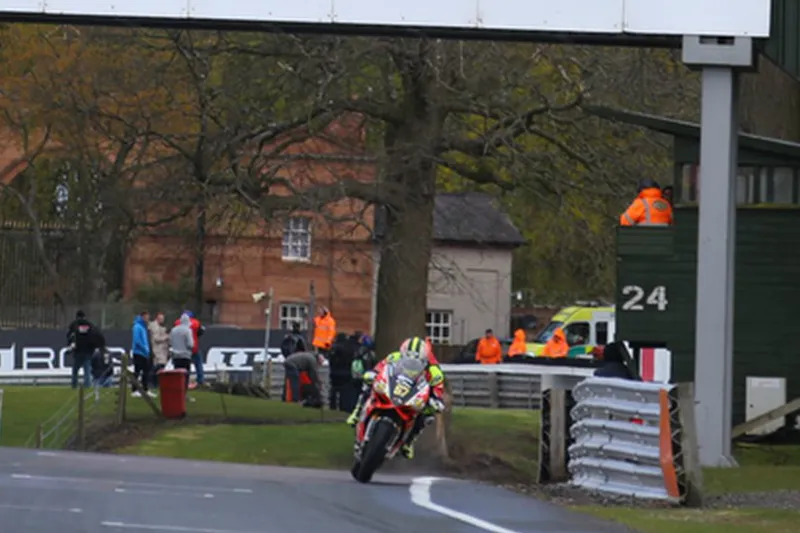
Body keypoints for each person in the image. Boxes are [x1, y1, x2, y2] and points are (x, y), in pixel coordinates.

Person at [346, 336, 446, 460]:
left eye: (416, 360)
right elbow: (380, 368)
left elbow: (438, 390)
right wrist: (373, 374)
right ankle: (356, 412)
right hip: (393, 388)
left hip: (414, 395)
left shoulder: (435, 372)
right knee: (368, 385)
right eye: (408, 358)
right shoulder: (394, 357)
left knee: (427, 415)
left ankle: (409, 442)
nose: (411, 362)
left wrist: (436, 401)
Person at [66, 310, 101, 389]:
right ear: (84, 316)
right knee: (87, 371)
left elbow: (69, 336)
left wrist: (70, 346)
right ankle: (87, 386)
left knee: (75, 371)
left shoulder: (74, 324)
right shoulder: (90, 325)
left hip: (77, 351)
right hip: (88, 351)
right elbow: (96, 336)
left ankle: (74, 386)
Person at [328, 332, 359, 412]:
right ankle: (344, 407)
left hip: (334, 372)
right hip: (346, 372)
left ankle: (333, 406)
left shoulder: (334, 347)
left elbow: (330, 360)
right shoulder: (349, 348)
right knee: (345, 391)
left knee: (333, 390)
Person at [175, 311, 205, 389]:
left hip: (182, 348)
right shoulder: (195, 323)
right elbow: (201, 332)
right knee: (198, 364)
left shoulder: (177, 323)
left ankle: (180, 382)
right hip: (193, 347)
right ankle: (200, 380)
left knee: (181, 367)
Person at [170, 313, 195, 400]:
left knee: (177, 377)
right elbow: (190, 344)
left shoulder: (173, 330)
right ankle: (183, 395)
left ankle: (176, 394)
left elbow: (170, 342)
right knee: (185, 377)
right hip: (185, 356)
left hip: (176, 356)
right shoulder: (188, 330)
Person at [131, 311, 155, 398]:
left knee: (146, 372)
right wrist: (145, 349)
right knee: (137, 371)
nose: (147, 319)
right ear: (142, 317)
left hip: (144, 353)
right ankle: (134, 390)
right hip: (139, 353)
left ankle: (145, 389)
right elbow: (137, 341)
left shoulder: (143, 327)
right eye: (146, 317)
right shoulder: (137, 326)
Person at [149, 312, 170, 390]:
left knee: (159, 367)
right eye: (161, 319)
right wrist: (166, 337)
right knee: (158, 367)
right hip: (158, 350)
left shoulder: (158, 327)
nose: (163, 320)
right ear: (158, 318)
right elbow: (156, 339)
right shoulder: (155, 327)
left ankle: (156, 384)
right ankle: (153, 384)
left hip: (160, 350)